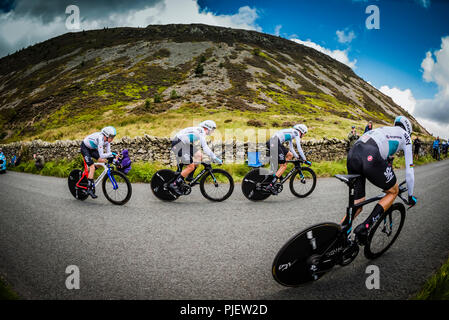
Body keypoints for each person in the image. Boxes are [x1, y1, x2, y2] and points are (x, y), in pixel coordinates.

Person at [345, 116, 417, 245]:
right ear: (408, 130)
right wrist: (410, 196)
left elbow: (386, 162)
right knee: (393, 191)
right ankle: (365, 227)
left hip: (353, 154)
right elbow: (409, 171)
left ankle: (340, 234)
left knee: (358, 204)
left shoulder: (385, 129)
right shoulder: (406, 136)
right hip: (370, 155)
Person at [169, 120, 222, 196]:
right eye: (213, 129)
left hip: (183, 143)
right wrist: (214, 157)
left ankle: (189, 177)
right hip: (178, 143)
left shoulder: (200, 131)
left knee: (199, 156)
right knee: (191, 166)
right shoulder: (201, 131)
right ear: (208, 128)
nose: (213, 131)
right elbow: (205, 147)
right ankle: (174, 184)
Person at [265, 124, 311, 195]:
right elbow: (299, 147)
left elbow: (291, 148)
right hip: (275, 142)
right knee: (284, 166)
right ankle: (270, 185)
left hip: (275, 142)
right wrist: (304, 159)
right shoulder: (296, 133)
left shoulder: (292, 132)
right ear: (301, 131)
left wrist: (298, 157)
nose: (304, 135)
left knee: (290, 155)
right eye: (304, 133)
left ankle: (279, 174)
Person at [81, 126, 119, 199]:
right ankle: (89, 189)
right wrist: (113, 154)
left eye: (113, 137)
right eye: (111, 137)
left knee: (102, 161)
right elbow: (102, 155)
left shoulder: (107, 141)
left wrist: (114, 160)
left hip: (92, 149)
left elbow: (108, 153)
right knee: (92, 167)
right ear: (106, 135)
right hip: (85, 147)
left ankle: (88, 174)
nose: (112, 139)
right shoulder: (100, 139)